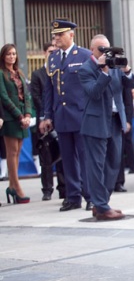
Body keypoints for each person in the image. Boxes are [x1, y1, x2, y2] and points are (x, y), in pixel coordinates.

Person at [78, 35, 134, 220]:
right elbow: (94, 92)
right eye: (101, 49)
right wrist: (103, 71)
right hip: (95, 123)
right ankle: (101, 206)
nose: (105, 53)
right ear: (92, 49)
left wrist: (126, 69)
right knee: (96, 167)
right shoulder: (85, 69)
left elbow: (131, 84)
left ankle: (102, 203)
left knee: (113, 163)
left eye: (107, 49)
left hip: (114, 120)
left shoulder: (115, 65)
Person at [40, 19, 93, 212]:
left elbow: (92, 88)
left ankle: (90, 196)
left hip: (80, 115)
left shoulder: (85, 55)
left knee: (85, 158)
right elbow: (49, 90)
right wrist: (47, 116)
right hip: (61, 116)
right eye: (54, 35)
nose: (56, 39)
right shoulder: (52, 59)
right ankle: (72, 197)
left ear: (71, 35)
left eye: (59, 35)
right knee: (67, 159)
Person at [30, 42, 66, 200]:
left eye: (55, 51)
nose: (53, 53)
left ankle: (63, 188)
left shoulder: (60, 70)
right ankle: (47, 189)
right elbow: (37, 97)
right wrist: (47, 114)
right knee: (46, 156)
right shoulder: (38, 74)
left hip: (60, 118)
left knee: (62, 155)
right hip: (45, 120)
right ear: (45, 53)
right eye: (50, 51)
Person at [0, 44, 33, 204]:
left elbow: (26, 95)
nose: (11, 57)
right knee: (11, 152)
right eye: (8, 54)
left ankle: (12, 186)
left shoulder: (19, 73)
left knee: (18, 151)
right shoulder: (1, 73)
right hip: (10, 116)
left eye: (13, 54)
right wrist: (19, 116)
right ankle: (16, 187)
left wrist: (27, 114)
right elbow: (4, 97)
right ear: (3, 56)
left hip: (22, 116)